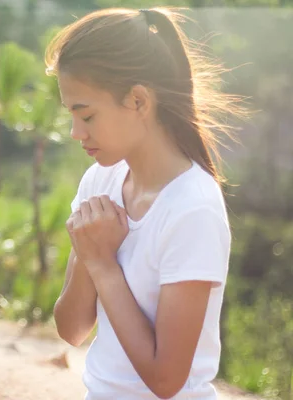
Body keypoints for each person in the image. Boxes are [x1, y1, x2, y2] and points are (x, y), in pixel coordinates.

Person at [46, 7, 244, 400]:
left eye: (86, 115)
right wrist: (89, 257)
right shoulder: (101, 182)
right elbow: (71, 330)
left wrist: (103, 265)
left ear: (138, 100)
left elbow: (166, 381)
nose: (74, 132)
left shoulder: (193, 210)